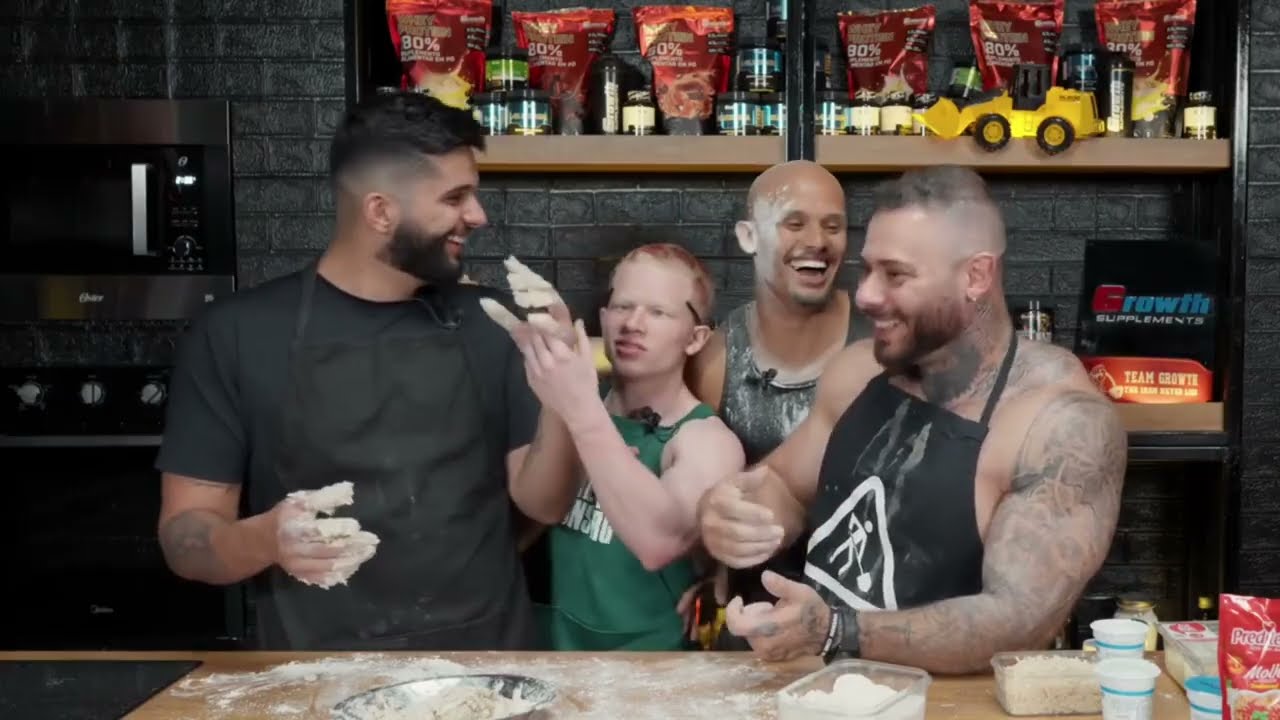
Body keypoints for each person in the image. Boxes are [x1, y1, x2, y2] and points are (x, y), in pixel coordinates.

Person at [154, 92, 579, 651]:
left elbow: (545, 504)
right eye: (455, 197)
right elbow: (184, 537)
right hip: (319, 673)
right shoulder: (235, 335)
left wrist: (566, 388)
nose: (477, 216)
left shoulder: (493, 322)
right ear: (380, 212)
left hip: (487, 666)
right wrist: (266, 539)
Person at [697, 166, 1127, 674]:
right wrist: (732, 514)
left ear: (975, 277)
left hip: (943, 704)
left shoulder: (1057, 421)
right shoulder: (858, 370)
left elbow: (1018, 619)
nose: (865, 295)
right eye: (868, 269)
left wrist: (836, 630)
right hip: (818, 693)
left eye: (895, 275)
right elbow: (786, 489)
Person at [496, 243, 746, 651]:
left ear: (695, 338)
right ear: (602, 317)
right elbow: (537, 504)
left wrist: (580, 408)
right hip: (560, 656)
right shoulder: (579, 403)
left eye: (658, 312)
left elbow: (659, 543)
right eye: (622, 307)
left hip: (651, 668)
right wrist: (561, 385)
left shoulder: (706, 440)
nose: (632, 324)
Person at [684, 160, 865, 647]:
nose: (817, 241)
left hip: (862, 626)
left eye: (833, 226)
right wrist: (705, 552)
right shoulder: (716, 359)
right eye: (794, 223)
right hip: (756, 627)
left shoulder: (878, 345)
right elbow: (697, 494)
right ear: (749, 236)